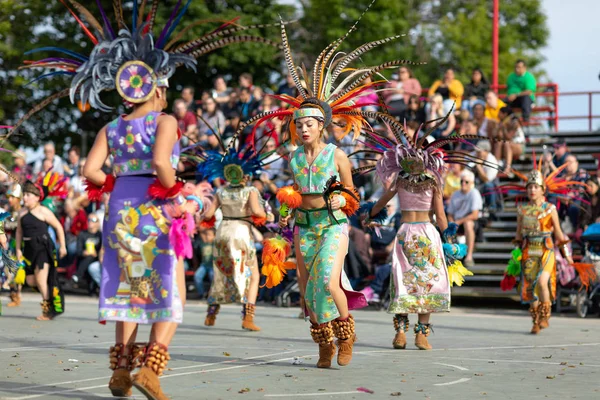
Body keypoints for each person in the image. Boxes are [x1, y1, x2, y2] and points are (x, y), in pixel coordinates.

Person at [8, 3, 267, 398]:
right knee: (170, 288)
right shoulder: (165, 122)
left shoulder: (113, 127)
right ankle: (151, 367)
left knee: (129, 288)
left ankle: (119, 371)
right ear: (157, 89)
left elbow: (90, 173)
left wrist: (120, 182)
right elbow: (163, 163)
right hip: (156, 207)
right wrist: (180, 192)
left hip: (121, 208)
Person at [361, 116, 477, 351]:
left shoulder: (401, 179)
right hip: (426, 234)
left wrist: (370, 215)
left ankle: (401, 333)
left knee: (403, 282)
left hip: (405, 234)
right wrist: (450, 241)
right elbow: (441, 217)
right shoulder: (434, 181)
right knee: (427, 283)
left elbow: (380, 203)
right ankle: (420, 335)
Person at [498, 158, 586, 334]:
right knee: (531, 286)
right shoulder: (521, 210)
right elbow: (518, 235)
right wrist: (515, 255)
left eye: (535, 187)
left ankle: (545, 314)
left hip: (546, 250)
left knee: (542, 281)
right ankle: (535, 319)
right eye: (529, 187)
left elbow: (560, 235)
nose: (532, 190)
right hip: (528, 250)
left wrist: (568, 257)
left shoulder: (550, 208)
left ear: (542, 189)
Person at [197, 142, 273, 332]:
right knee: (253, 276)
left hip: (223, 232)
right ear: (245, 175)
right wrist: (268, 215)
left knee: (221, 273)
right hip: (240, 233)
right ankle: (248, 317)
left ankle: (211, 313)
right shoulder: (250, 191)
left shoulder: (221, 191)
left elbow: (207, 215)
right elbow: (258, 212)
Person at [16, 178, 67, 320]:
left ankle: (47, 311)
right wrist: (19, 249)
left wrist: (62, 245)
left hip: (42, 249)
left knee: (40, 280)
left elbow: (58, 227)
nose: (25, 198)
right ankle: (49, 295)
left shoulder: (43, 211)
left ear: (37, 197)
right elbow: (19, 232)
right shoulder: (21, 213)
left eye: (28, 195)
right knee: (31, 281)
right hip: (28, 250)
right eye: (24, 194)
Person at [447, 170, 483, 267]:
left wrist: (458, 221)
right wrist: (452, 223)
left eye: (466, 182)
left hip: (471, 222)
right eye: (461, 181)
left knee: (468, 224)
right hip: (457, 221)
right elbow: (450, 213)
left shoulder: (474, 193)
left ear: (471, 183)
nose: (463, 183)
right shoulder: (455, 194)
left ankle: (469, 256)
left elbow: (475, 214)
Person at [72, 213, 102, 292]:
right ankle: (79, 276)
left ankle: (78, 275)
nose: (91, 222)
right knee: (89, 256)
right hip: (83, 259)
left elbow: (102, 249)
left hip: (97, 259)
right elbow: (78, 251)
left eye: (94, 220)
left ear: (98, 223)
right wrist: (84, 253)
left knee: (91, 257)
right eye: (89, 220)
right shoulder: (82, 234)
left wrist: (97, 254)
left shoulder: (100, 235)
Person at [193, 228, 215, 299]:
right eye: (206, 235)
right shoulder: (203, 243)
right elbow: (201, 233)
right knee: (197, 276)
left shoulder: (214, 244)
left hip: (212, 266)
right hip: (204, 265)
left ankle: (213, 293)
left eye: (209, 235)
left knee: (212, 276)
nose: (207, 237)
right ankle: (201, 293)